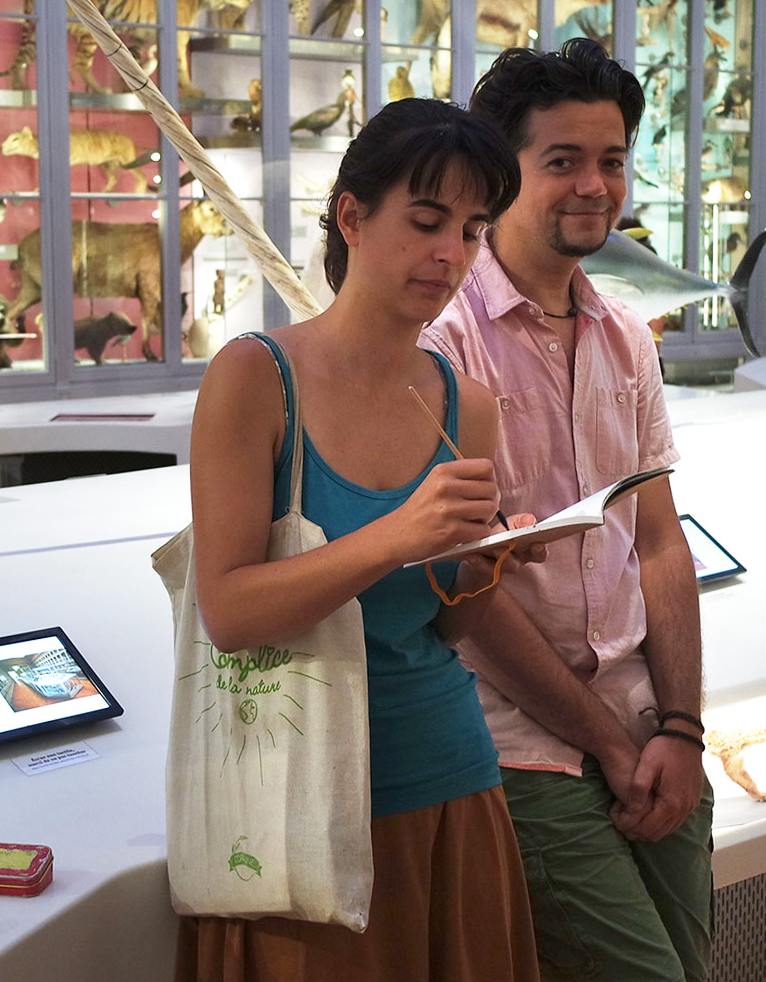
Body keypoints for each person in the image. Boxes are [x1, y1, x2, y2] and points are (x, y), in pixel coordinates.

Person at [178, 98, 540, 981]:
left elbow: (440, 627)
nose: (450, 253)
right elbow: (227, 610)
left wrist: (484, 564)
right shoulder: (256, 377)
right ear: (351, 215)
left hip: (447, 775)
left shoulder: (466, 405)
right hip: (294, 796)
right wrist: (398, 533)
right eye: (426, 220)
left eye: (472, 230)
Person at [420, 40, 715, 982]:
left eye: (611, 159)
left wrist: (680, 730)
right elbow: (462, 591)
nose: (594, 185)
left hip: (647, 727)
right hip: (519, 745)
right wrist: (607, 744)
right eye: (562, 160)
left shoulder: (625, 335)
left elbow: (657, 544)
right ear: (502, 174)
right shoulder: (442, 343)